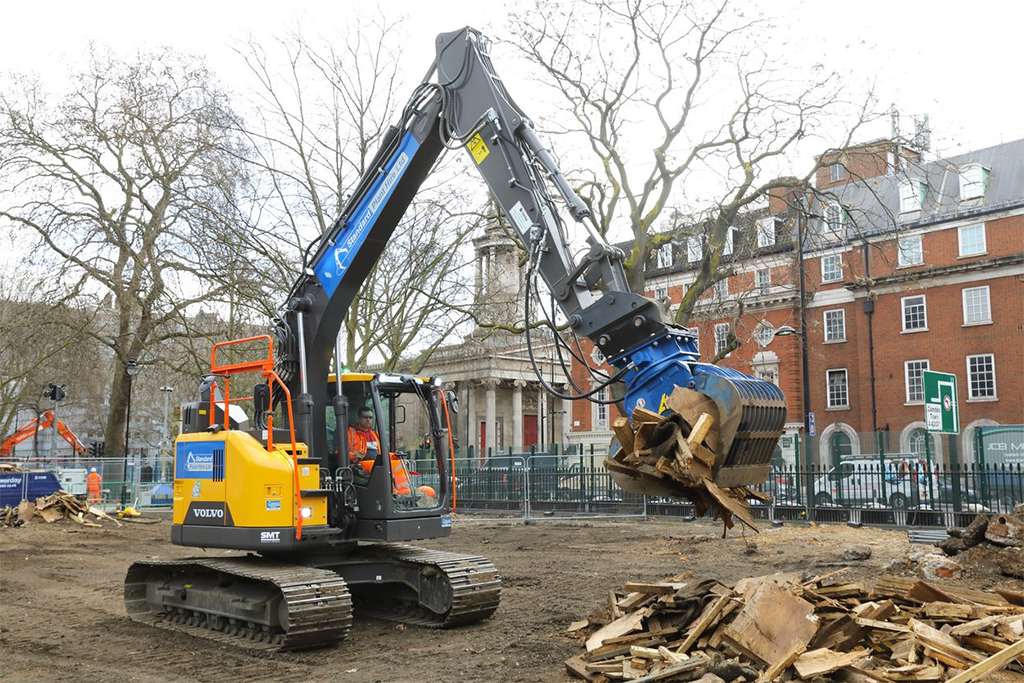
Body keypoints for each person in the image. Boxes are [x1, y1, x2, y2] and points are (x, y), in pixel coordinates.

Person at [348, 407, 381, 474]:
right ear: (358, 419)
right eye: (365, 417)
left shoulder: (375, 434)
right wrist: (353, 455)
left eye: (370, 417)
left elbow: (381, 453)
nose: (368, 419)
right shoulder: (349, 433)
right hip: (357, 467)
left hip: (375, 466)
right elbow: (339, 453)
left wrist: (394, 455)